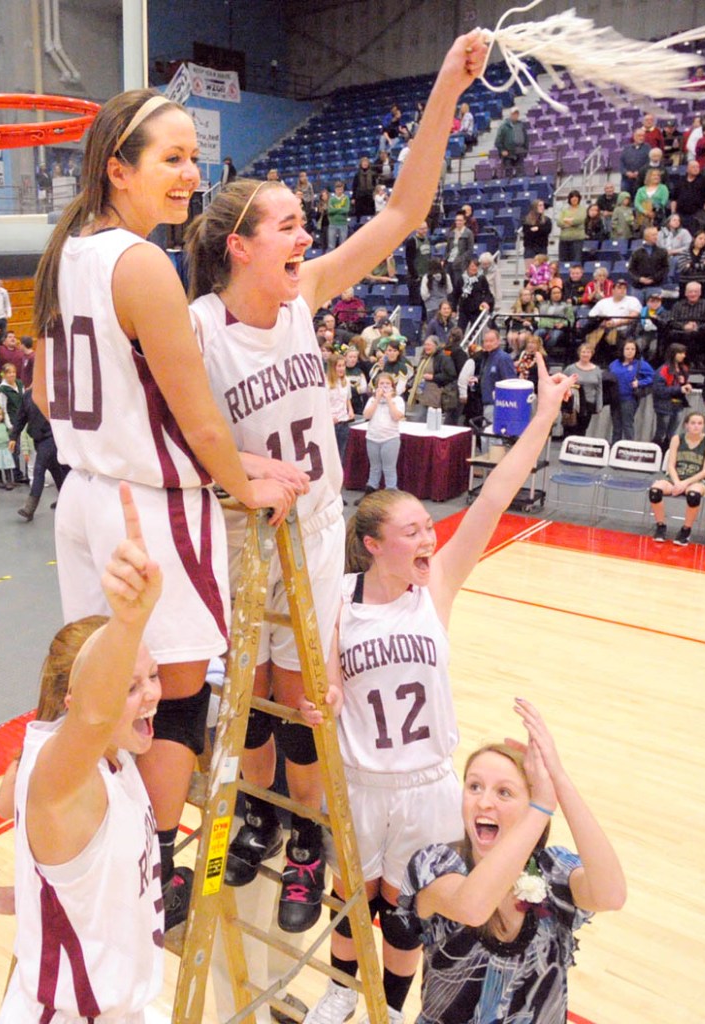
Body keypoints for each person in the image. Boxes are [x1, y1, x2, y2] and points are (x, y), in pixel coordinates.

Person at [185, 30, 491, 932]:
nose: (306, 235)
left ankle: (302, 842)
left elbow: (402, 211)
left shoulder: (304, 295)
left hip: (314, 529)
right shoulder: (197, 327)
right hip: (240, 532)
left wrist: (443, 91)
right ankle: (254, 817)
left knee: (298, 696)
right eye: (287, 224)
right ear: (240, 246)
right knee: (243, 695)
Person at [31, 88, 295, 931]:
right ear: (119, 167)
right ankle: (156, 870)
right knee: (171, 697)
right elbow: (196, 413)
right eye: (171, 158)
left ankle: (105, 855)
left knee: (106, 694)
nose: (191, 174)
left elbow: (45, 389)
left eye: (194, 157)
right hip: (150, 511)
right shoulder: (141, 263)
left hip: (85, 500)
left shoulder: (66, 247)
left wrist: (161, 444)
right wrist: (241, 477)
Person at [302, 361, 579, 1024]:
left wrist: (543, 416)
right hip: (359, 779)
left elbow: (493, 498)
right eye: (414, 532)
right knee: (350, 898)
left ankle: (388, 1009)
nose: (431, 537)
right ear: (373, 547)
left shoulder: (439, 587)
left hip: (426, 784)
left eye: (429, 526)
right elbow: (329, 680)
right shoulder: (337, 599)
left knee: (405, 914)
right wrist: (328, 699)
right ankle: (342, 990)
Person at [0, 484, 165, 1022]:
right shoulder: (63, 777)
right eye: (131, 685)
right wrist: (129, 620)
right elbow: (92, 715)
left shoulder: (118, 760)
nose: (153, 693)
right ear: (77, 699)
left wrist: (14, 902)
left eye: (153, 675)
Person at [398, 700, 625, 1024]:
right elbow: (473, 907)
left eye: (504, 792)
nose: (484, 801)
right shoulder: (434, 865)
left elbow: (611, 895)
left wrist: (558, 780)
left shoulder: (552, 870)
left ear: (528, 806)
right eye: (474, 786)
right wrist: (541, 806)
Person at [649, 411, 705, 545]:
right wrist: (677, 482)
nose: (696, 426)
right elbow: (671, 465)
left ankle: (686, 530)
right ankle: (661, 526)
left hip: (697, 479)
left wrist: (684, 483)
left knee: (693, 495)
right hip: (675, 477)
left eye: (700, 423)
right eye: (693, 423)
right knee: (655, 491)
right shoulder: (677, 439)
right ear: (686, 425)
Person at [9, 388, 68, 520]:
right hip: (38, 439)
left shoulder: (54, 392)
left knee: (39, 469)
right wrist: (13, 437)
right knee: (55, 470)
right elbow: (21, 417)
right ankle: (67, 500)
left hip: (51, 437)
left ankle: (30, 508)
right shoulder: (27, 396)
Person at [608, 339, 654, 442]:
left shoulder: (640, 364)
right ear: (622, 350)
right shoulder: (614, 364)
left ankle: (629, 447)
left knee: (627, 425)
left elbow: (653, 377)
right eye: (627, 349)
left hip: (629, 399)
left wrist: (640, 383)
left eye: (632, 349)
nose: (630, 351)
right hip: (615, 399)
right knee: (616, 426)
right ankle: (614, 447)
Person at [652, 343, 693, 451]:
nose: (683, 355)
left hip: (678, 404)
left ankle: (668, 454)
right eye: (680, 353)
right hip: (664, 406)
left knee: (672, 433)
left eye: (684, 353)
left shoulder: (683, 369)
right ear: (673, 354)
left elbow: (683, 383)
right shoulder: (663, 370)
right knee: (661, 432)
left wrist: (687, 386)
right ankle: (657, 453)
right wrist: (679, 389)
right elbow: (658, 390)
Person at [562, 342, 603, 437]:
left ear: (592, 354)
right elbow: (562, 384)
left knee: (582, 429)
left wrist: (599, 405)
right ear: (579, 353)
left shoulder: (597, 370)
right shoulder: (570, 369)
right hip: (572, 404)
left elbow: (599, 389)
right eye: (583, 352)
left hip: (588, 405)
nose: (585, 354)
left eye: (588, 352)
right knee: (569, 429)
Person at [327, 354, 354, 471]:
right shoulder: (325, 383)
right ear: (332, 367)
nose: (342, 368)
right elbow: (322, 403)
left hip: (343, 422)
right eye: (339, 366)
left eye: (343, 366)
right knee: (329, 455)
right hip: (330, 424)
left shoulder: (346, 381)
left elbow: (347, 398)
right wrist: (328, 418)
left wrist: (350, 410)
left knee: (341, 455)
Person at [495, 107, 529, 177]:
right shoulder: (504, 127)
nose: (515, 115)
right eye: (514, 114)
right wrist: (502, 150)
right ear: (510, 114)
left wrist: (526, 149)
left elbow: (526, 138)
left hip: (520, 152)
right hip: (508, 154)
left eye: (517, 114)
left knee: (521, 173)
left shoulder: (521, 125)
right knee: (508, 174)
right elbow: (497, 141)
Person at [557, 190, 586, 264]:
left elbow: (580, 219)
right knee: (563, 262)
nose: (574, 199)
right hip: (564, 239)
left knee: (576, 261)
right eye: (572, 197)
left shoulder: (583, 209)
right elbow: (559, 222)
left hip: (577, 240)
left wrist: (568, 221)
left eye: (576, 197)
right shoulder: (564, 210)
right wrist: (570, 222)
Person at [327, 181, 351, 250]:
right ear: (335, 190)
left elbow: (346, 210)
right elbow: (330, 211)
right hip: (332, 224)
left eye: (341, 189)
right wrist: (341, 209)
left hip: (343, 224)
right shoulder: (331, 199)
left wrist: (335, 209)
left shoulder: (346, 198)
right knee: (331, 246)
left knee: (343, 246)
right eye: (338, 189)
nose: (339, 191)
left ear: (343, 189)